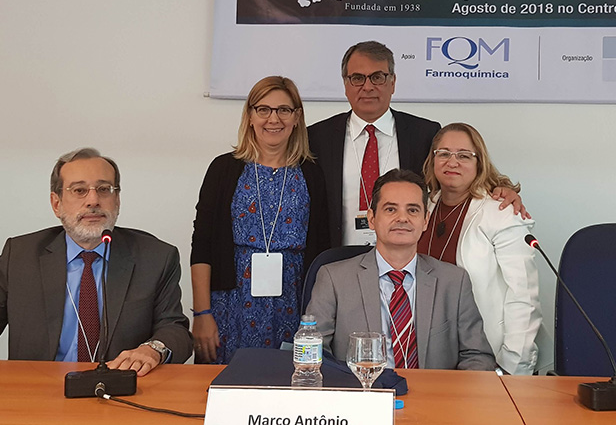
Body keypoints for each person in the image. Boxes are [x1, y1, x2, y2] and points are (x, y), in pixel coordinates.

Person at [0, 148, 192, 376]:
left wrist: (153, 349)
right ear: (56, 203)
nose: (93, 200)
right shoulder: (20, 256)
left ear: (117, 200)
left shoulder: (156, 257)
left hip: (122, 390)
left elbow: (174, 329)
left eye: (104, 189)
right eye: (79, 190)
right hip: (38, 392)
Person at [308, 40, 527, 248]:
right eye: (357, 78)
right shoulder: (317, 137)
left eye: (377, 77)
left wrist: (497, 190)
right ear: (345, 84)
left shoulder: (424, 133)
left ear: (393, 82)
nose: (367, 86)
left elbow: (456, 178)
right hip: (336, 259)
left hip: (407, 258)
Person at [190, 76, 330, 364]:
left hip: (294, 304)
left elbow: (323, 248)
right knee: (228, 382)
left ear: (297, 118)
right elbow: (202, 245)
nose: (273, 119)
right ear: (250, 116)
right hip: (231, 305)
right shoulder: (223, 169)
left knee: (291, 381)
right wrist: (202, 314)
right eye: (263, 109)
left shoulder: (313, 174)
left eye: (283, 110)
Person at [306, 168, 496, 371]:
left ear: (425, 220)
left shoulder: (454, 281)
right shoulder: (334, 279)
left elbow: (477, 356)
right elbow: (312, 355)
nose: (402, 218)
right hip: (362, 389)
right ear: (372, 218)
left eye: (413, 210)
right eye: (390, 209)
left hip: (434, 391)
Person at [417, 123, 543, 375]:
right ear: (432, 160)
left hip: (486, 355)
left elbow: (523, 297)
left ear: (479, 163)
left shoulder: (502, 213)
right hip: (427, 354)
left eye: (464, 155)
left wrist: (512, 367)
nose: (452, 162)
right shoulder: (422, 206)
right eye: (444, 153)